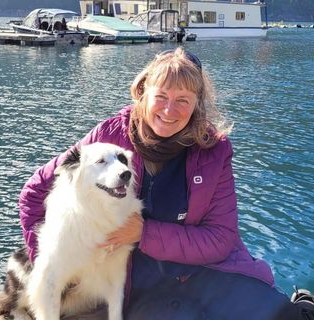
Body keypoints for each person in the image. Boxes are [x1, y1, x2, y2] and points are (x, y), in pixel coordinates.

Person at [19, 48, 313, 320]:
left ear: (197, 104)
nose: (169, 110)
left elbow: (221, 238)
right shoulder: (107, 138)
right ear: (142, 92)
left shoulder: (214, 151)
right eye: (161, 96)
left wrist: (142, 233)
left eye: (183, 100)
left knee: (282, 315)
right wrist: (54, 265)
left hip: (206, 272)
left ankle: (302, 304)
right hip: (138, 282)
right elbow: (34, 193)